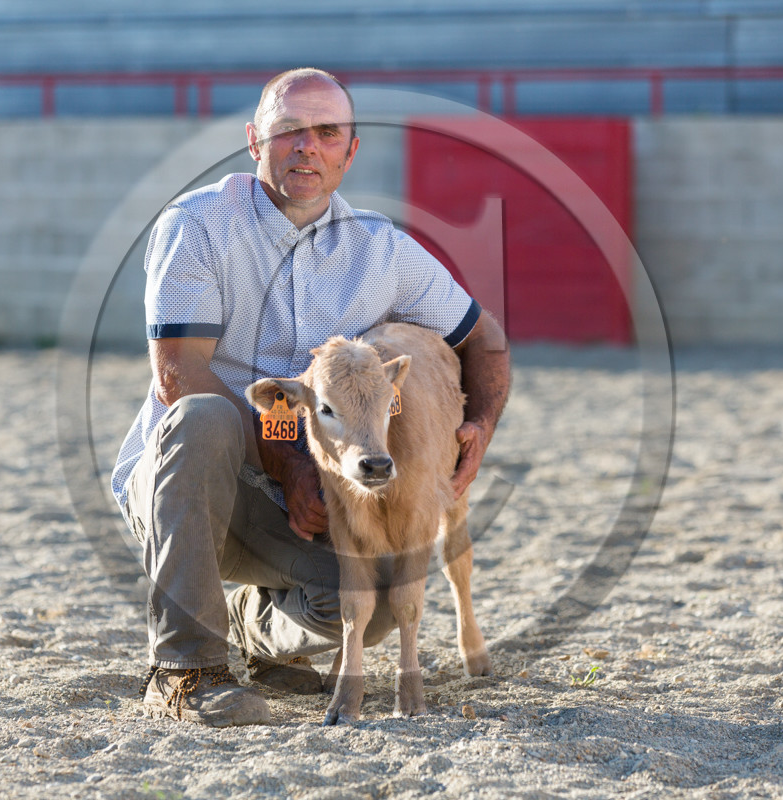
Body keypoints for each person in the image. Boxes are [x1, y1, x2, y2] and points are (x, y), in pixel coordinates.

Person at [111, 67, 510, 727]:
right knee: (205, 416)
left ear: (350, 152)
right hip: (193, 486)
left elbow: (484, 343)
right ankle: (186, 672)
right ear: (254, 142)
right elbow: (178, 375)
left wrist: (480, 425)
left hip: (314, 490)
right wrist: (287, 459)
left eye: (328, 133)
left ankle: (247, 625)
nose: (308, 147)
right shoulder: (199, 225)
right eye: (289, 131)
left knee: (378, 596)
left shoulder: (382, 249)